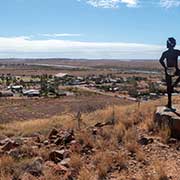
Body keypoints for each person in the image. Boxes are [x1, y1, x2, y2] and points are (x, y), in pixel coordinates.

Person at [159, 37, 180, 109]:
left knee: (168, 87)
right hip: (175, 69)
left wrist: (165, 67)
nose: (166, 44)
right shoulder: (177, 52)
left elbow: (161, 60)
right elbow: (160, 60)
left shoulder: (165, 53)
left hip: (168, 70)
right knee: (169, 87)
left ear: (169, 44)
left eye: (167, 43)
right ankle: (173, 85)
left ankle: (169, 102)